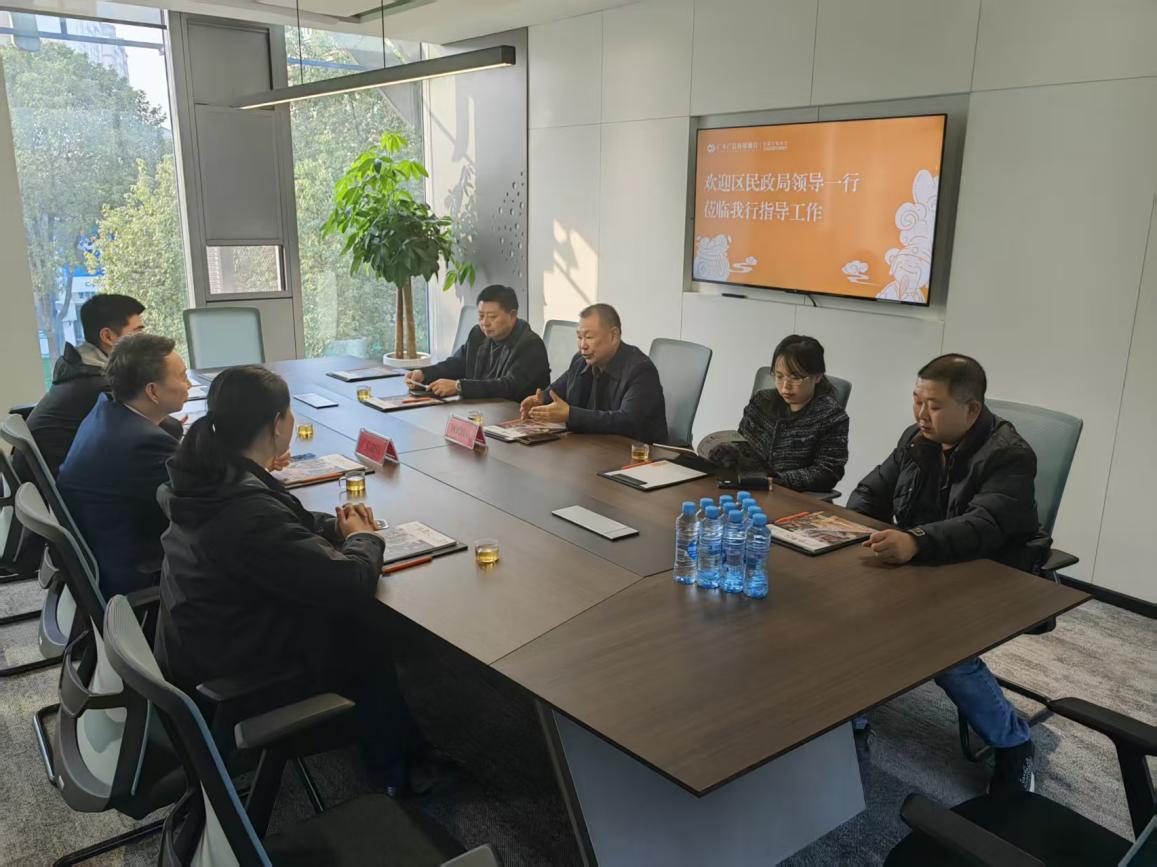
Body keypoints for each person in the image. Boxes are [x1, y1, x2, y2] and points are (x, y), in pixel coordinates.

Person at [154, 365, 448, 797]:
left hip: (203, 645)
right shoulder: (244, 512)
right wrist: (364, 539)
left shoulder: (212, 476)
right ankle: (399, 770)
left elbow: (281, 521)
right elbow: (348, 582)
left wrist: (335, 528)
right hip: (233, 676)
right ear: (277, 424)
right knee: (363, 628)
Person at [847, 354, 1051, 794]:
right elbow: (871, 491)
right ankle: (852, 721)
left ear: (972, 409)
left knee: (942, 648)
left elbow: (984, 525)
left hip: (990, 573)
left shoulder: (1009, 456)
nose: (921, 414)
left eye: (934, 406)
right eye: (917, 401)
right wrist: (848, 531)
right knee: (848, 617)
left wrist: (916, 540)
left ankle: (1014, 743)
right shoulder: (916, 440)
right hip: (928, 564)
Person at [57, 334, 190, 596]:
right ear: (152, 391)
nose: (189, 384)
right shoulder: (143, 443)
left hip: (106, 547)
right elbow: (203, 501)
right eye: (182, 376)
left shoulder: (106, 411)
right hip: (139, 571)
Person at [24, 293, 179, 476]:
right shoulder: (98, 383)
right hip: (63, 479)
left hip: (54, 473)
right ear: (107, 336)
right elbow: (161, 429)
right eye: (137, 332)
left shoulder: (80, 365)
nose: (143, 339)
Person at [699, 335, 849, 491]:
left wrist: (779, 480)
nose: (785, 386)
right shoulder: (761, 402)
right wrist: (725, 453)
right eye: (779, 376)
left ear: (817, 376)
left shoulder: (831, 417)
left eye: (795, 377)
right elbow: (743, 446)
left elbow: (828, 472)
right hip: (749, 489)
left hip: (793, 495)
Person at [520, 303, 667, 443]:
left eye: (589, 337)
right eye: (579, 337)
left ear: (613, 336)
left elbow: (627, 422)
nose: (582, 345)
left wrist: (571, 415)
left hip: (635, 453)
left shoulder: (640, 370)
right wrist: (542, 400)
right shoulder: (580, 361)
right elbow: (559, 388)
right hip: (592, 447)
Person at [405, 284, 550, 400]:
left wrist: (459, 387)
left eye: (492, 317)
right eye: (481, 316)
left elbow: (509, 387)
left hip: (515, 415)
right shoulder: (478, 334)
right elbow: (457, 363)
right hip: (480, 410)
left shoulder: (530, 345)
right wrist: (424, 374)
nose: (485, 323)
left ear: (512, 315)